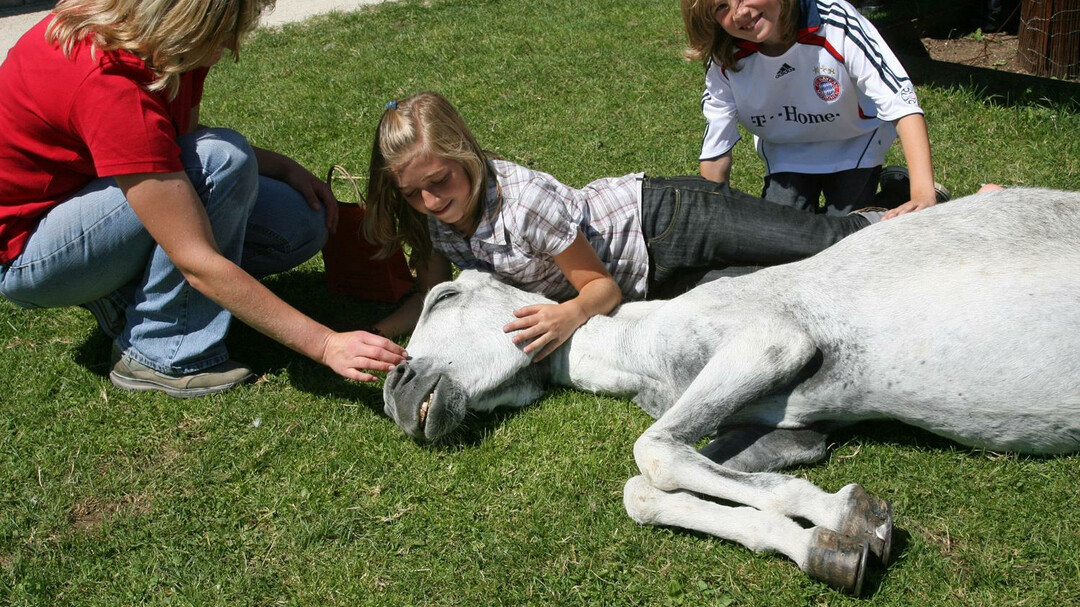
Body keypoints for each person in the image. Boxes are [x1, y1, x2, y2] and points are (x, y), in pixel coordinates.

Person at [0, 0, 406, 398]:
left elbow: (175, 141)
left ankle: (127, 295)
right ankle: (159, 352)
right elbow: (196, 257)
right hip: (31, 254)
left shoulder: (166, 47)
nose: (230, 45)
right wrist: (326, 344)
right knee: (220, 161)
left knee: (299, 223)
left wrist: (283, 167)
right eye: (223, 31)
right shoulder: (110, 81)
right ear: (183, 20)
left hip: (95, 204)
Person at [363, 92, 883, 361]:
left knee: (826, 242)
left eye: (440, 181)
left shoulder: (524, 205)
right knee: (791, 285)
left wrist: (568, 314)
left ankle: (908, 212)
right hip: (653, 282)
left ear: (465, 155)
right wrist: (378, 336)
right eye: (411, 193)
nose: (430, 201)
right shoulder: (435, 222)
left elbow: (601, 289)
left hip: (670, 219)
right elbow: (430, 298)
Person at [681, 0, 948, 219]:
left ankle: (897, 193)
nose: (739, 13)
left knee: (849, 235)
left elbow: (902, 103)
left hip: (855, 143)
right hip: (786, 150)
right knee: (781, 238)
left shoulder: (835, 21)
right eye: (721, 7)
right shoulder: (725, 57)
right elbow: (716, 149)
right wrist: (712, 218)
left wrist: (922, 194)